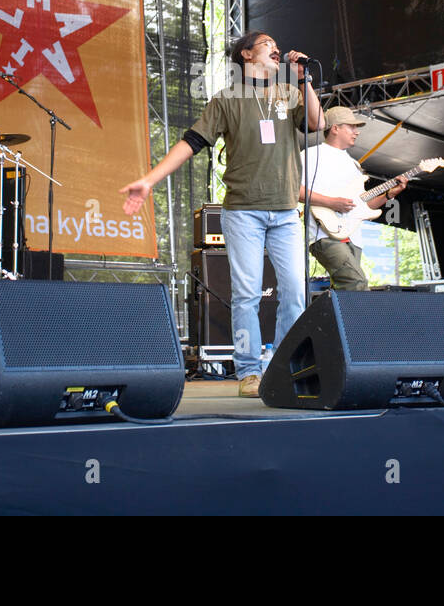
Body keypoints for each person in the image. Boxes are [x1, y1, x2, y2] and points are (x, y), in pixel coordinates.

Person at [121, 32, 322, 397]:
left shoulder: (289, 93)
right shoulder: (227, 99)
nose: (276, 48)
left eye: (277, 45)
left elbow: (315, 123)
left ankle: (283, 365)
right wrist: (149, 180)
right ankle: (248, 371)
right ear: (246, 54)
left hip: (285, 213)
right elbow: (191, 142)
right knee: (247, 294)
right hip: (243, 211)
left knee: (294, 291)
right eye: (266, 43)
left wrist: (304, 78)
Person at [299, 106, 407, 290]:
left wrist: (389, 194)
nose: (356, 132)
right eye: (351, 127)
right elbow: (294, 190)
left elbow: (361, 206)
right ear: (335, 128)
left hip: (352, 236)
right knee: (356, 283)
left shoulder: (353, 164)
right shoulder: (311, 155)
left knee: (344, 292)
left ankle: (335, 319)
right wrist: (331, 203)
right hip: (324, 234)